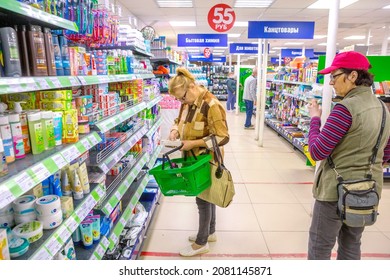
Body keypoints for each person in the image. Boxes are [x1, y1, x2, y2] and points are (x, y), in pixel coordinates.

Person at [307, 51, 390, 260]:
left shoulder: (345, 109)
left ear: (352, 76)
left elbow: (317, 151)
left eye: (334, 76)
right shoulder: (383, 108)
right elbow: (386, 154)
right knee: (352, 245)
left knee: (319, 248)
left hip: (334, 192)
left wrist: (315, 119)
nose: (332, 83)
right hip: (367, 191)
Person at [168, 67, 229, 257]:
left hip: (207, 159)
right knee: (206, 195)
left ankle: (201, 242)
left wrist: (194, 142)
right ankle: (210, 232)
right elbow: (180, 120)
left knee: (202, 198)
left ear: (192, 87)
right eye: (178, 99)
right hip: (193, 158)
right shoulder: (187, 101)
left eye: (182, 98)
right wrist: (175, 129)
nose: (181, 102)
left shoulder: (211, 105)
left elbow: (223, 137)